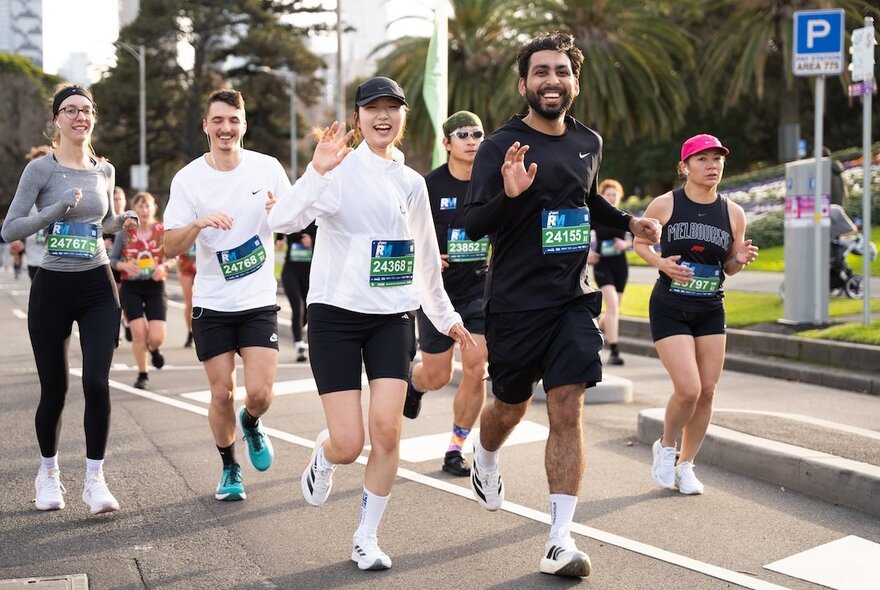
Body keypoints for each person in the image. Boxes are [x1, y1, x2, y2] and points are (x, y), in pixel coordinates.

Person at [463, 32, 661, 578]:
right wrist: (510, 195)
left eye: (561, 72)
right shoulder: (499, 147)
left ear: (575, 82)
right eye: (541, 72)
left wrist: (629, 222)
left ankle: (559, 538)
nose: (552, 81)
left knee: (567, 406)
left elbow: (585, 199)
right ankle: (485, 455)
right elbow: (474, 224)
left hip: (572, 297)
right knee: (508, 405)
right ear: (523, 84)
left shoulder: (588, 141)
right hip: (514, 303)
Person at [268, 76, 474, 571]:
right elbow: (282, 222)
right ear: (358, 117)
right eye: (372, 108)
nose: (383, 116)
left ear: (403, 116)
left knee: (387, 431)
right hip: (336, 317)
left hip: (392, 318)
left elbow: (424, 258)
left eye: (392, 108)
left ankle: (366, 536)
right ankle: (324, 455)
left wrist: (445, 316)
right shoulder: (337, 170)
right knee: (349, 444)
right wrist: (316, 171)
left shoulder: (412, 183)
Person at [2, 83, 138, 514]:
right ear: (57, 119)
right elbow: (10, 229)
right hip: (52, 288)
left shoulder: (104, 170)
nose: (80, 117)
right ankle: (48, 473)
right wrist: (54, 211)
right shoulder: (40, 170)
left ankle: (95, 480)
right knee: (55, 389)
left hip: (97, 284)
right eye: (71, 110)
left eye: (86, 110)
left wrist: (122, 220)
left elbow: (102, 222)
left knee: (96, 382)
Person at [163, 89, 289, 502]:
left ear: (243, 125)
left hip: (257, 301)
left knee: (260, 394)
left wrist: (281, 212)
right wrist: (197, 224)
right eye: (217, 120)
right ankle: (229, 467)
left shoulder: (267, 168)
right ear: (206, 126)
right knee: (221, 394)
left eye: (233, 120)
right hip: (213, 303)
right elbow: (169, 246)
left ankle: (250, 421)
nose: (225, 128)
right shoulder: (188, 179)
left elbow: (294, 218)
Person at [633, 134, 758, 496]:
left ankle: (686, 465)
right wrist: (662, 263)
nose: (711, 166)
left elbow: (729, 266)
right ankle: (666, 446)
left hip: (710, 307)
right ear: (684, 167)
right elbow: (640, 243)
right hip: (670, 305)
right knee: (688, 389)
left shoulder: (733, 213)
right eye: (702, 159)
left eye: (717, 159)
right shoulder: (665, 204)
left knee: (707, 391)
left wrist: (739, 259)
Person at [403, 110, 489, 478]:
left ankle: (456, 448)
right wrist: (425, 257)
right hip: (437, 294)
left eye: (477, 134)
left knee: (477, 367)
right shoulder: (428, 186)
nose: (471, 141)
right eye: (463, 135)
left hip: (479, 292)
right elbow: (403, 229)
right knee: (437, 376)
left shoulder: (491, 182)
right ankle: (415, 382)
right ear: (447, 143)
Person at [109, 191, 169, 389]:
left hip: (155, 286)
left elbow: (174, 255)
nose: (144, 210)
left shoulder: (162, 230)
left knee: (156, 337)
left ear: (154, 208)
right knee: (138, 333)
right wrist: (125, 266)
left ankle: (154, 349)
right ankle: (142, 374)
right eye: (140, 206)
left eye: (147, 206)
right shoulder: (125, 233)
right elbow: (112, 260)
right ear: (134, 210)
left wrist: (163, 267)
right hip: (131, 287)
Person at [587, 179, 631, 365]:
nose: (612, 198)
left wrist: (626, 244)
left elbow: (638, 238)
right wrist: (588, 253)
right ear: (602, 197)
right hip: (602, 264)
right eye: (608, 195)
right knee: (612, 305)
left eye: (615, 194)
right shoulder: (595, 216)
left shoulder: (624, 216)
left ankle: (594, 330)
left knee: (614, 309)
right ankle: (614, 351)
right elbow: (582, 236)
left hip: (620, 265)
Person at [276, 222, 316, 362]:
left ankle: (300, 331)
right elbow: (281, 227)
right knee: (297, 306)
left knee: (307, 309)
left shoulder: (317, 219)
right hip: (290, 272)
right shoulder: (295, 217)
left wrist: (311, 240)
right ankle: (299, 345)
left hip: (309, 273)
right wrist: (279, 240)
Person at [177, 240, 197, 348]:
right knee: (189, 303)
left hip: (204, 265)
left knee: (202, 302)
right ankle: (190, 332)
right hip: (186, 266)